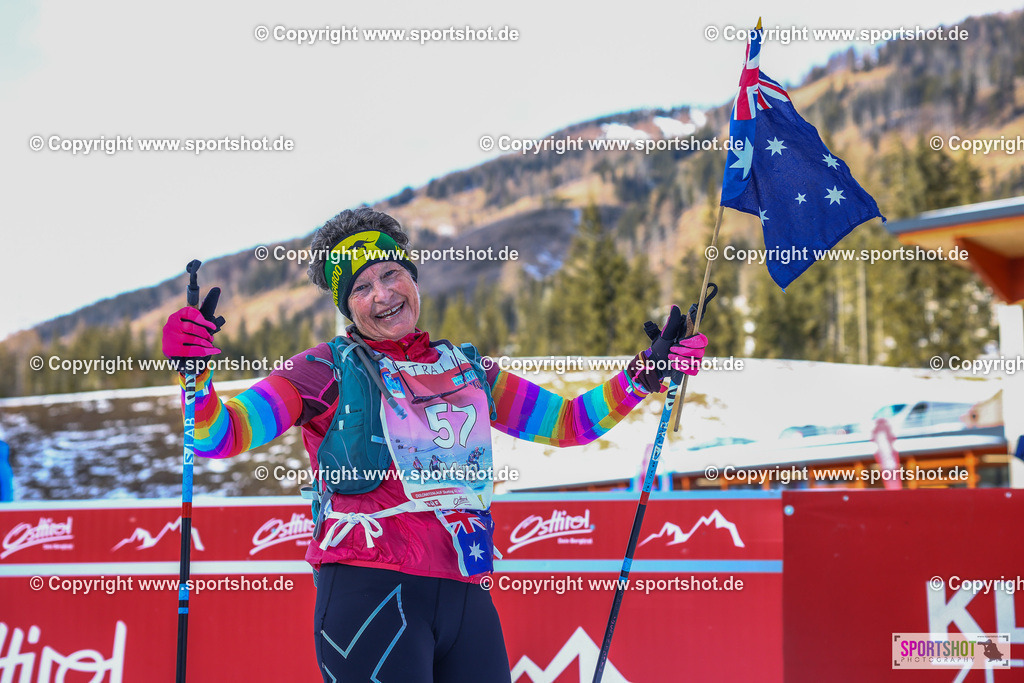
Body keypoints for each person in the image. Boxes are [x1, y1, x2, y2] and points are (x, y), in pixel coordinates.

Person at [162, 207, 708, 682]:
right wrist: (195, 376)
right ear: (345, 305)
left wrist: (646, 373)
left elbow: (569, 423)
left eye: (391, 273)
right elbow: (219, 435)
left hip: (465, 591)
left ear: (413, 277)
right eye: (360, 287)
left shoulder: (467, 369)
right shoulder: (321, 370)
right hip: (369, 590)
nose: (382, 294)